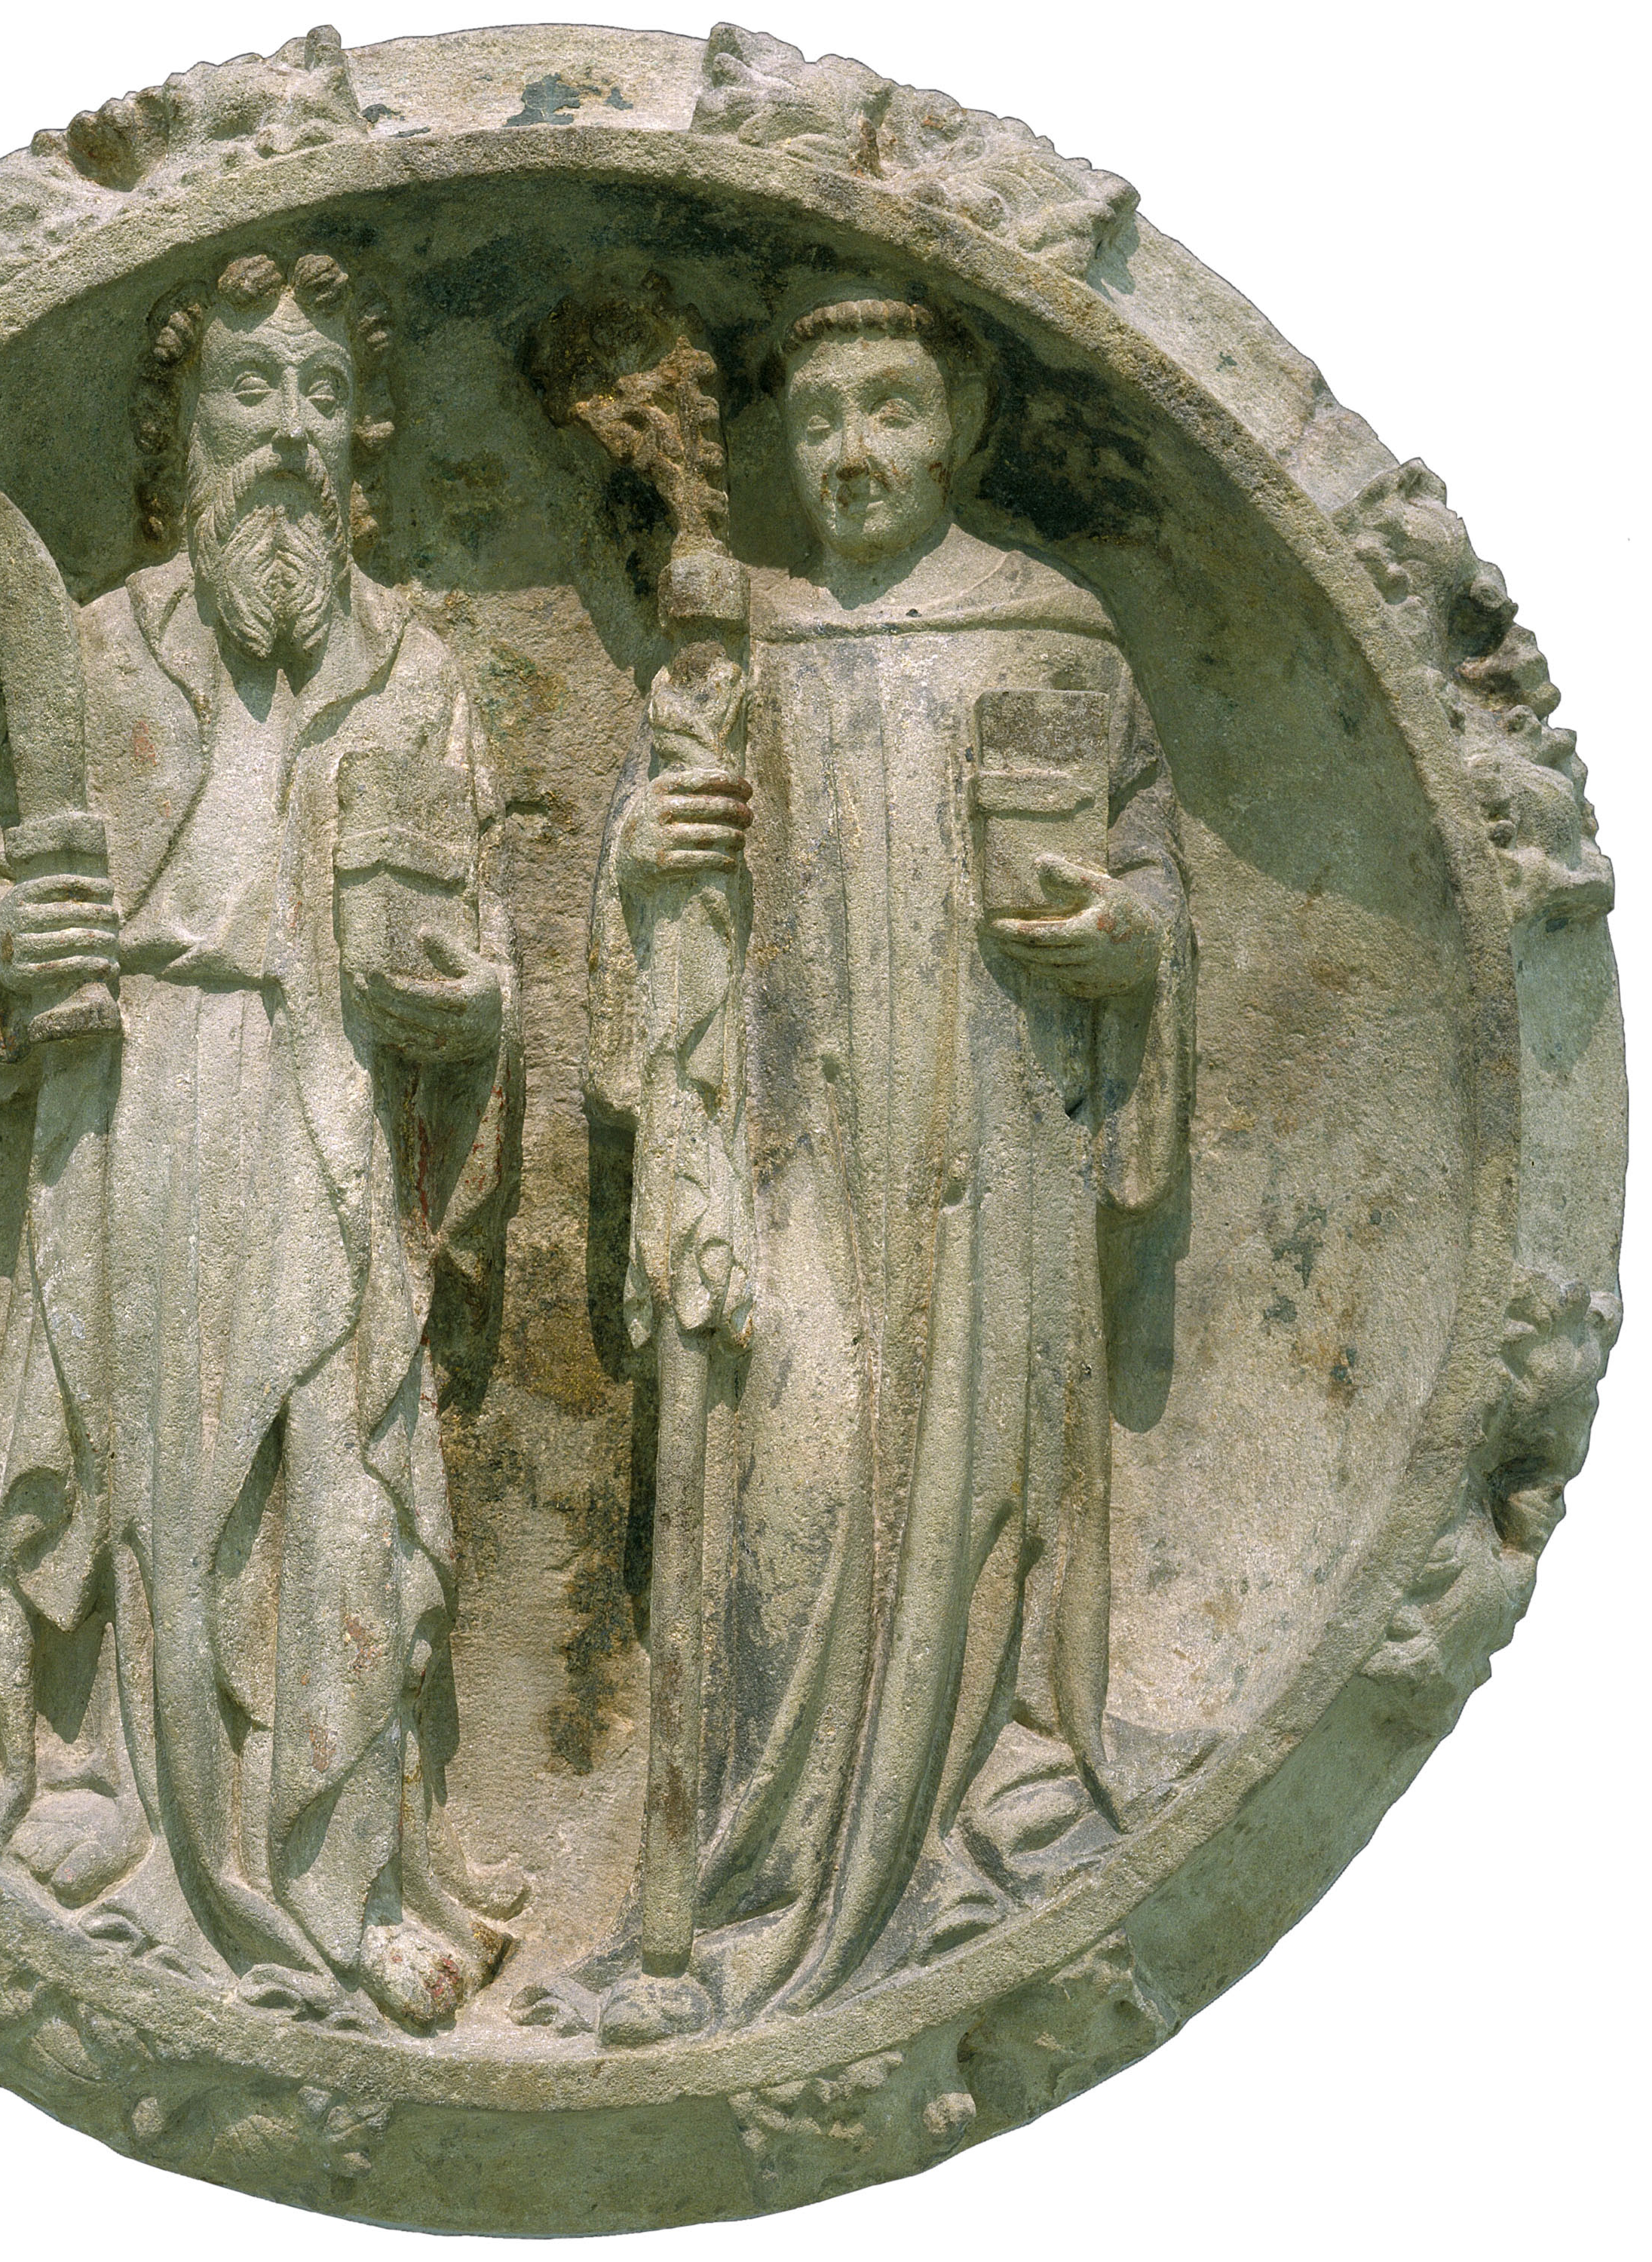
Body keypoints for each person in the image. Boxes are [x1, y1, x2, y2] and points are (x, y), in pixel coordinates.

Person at [581, 287, 1194, 2028]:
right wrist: (645, 852)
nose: (854, 452)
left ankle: (995, 1793)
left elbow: (1150, 862)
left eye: (894, 409)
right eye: (820, 417)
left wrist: (1131, 939)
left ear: (961, 429)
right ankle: (761, 1879)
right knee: (794, 1482)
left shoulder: (1054, 636)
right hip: (796, 1147)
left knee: (991, 1491)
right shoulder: (740, 643)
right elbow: (646, 917)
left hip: (999, 1152)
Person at [0, 250, 523, 2029]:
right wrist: (17, 960)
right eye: (245, 393)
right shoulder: (101, 650)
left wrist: (460, 1002)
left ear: (364, 436)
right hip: (146, 1108)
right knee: (157, 1482)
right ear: (184, 429)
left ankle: (349, 1880)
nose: (284, 433)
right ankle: (132, 1814)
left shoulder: (416, 669)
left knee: (346, 1494)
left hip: (343, 1107)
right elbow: (4, 919)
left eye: (319, 396)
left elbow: (482, 948)